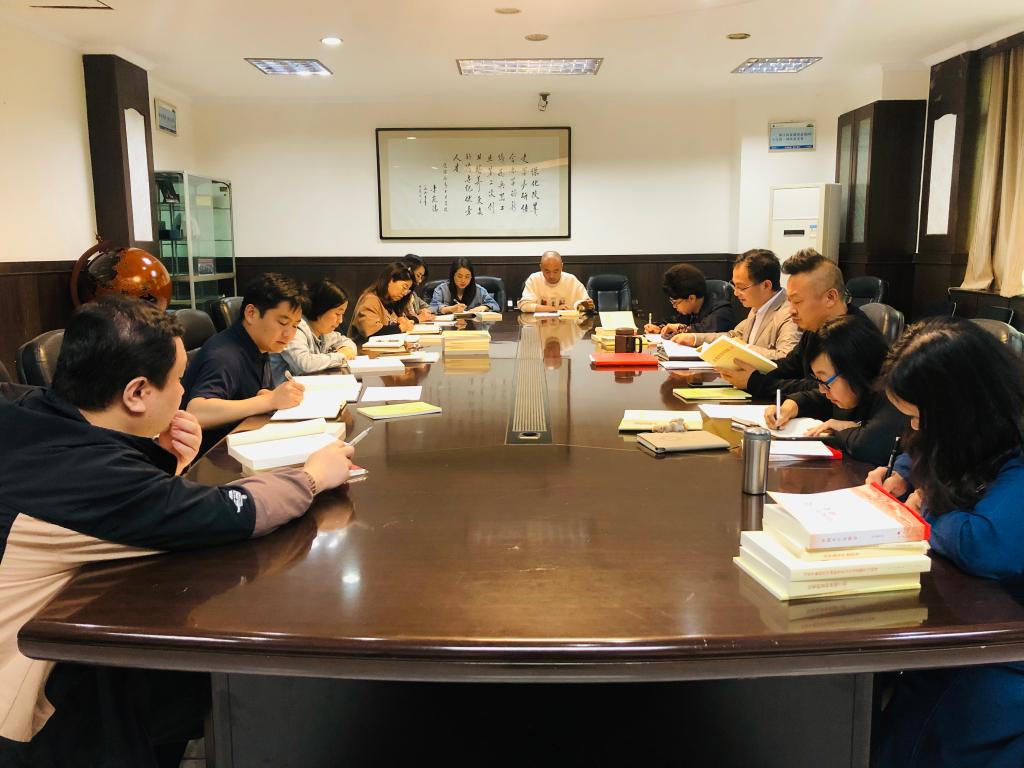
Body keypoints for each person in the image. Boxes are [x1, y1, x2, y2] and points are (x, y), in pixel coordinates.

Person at [0, 296, 355, 768]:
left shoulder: (32, 414)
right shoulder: (89, 476)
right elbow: (231, 512)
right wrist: (311, 476)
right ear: (137, 392)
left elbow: (125, 508)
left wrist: (157, 454)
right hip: (25, 714)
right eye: (179, 380)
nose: (184, 392)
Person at [862, 317, 1024, 767]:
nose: (915, 425)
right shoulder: (976, 426)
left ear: (959, 408)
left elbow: (987, 545)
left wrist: (926, 508)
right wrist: (902, 475)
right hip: (971, 611)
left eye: (920, 415)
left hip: (1004, 642)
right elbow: (927, 450)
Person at [182, 273, 307, 455]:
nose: (289, 334)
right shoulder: (225, 354)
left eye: (295, 325)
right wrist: (268, 400)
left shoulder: (259, 344)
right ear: (251, 313)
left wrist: (267, 397)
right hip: (212, 459)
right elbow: (196, 412)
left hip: (243, 444)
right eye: (282, 322)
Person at [718, 249, 869, 398]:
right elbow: (790, 366)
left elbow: (821, 390)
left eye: (797, 301)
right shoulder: (815, 328)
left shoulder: (855, 336)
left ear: (830, 297)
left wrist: (755, 382)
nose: (791, 311)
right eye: (789, 301)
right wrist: (749, 372)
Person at [764, 315, 908, 465]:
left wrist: (843, 430)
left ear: (853, 370)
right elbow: (819, 399)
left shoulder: (894, 390)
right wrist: (791, 406)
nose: (822, 390)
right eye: (818, 381)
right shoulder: (858, 388)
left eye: (825, 381)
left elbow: (868, 446)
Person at [668, 249, 800, 360]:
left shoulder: (789, 313)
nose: (736, 293)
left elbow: (786, 357)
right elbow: (734, 336)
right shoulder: (758, 305)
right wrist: (694, 338)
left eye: (741, 287)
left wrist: (744, 348)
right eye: (734, 285)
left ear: (766, 285)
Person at [270, 278, 357, 385]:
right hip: (280, 391)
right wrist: (340, 356)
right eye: (337, 314)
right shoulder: (296, 328)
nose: (340, 320)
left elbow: (347, 342)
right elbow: (305, 365)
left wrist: (346, 349)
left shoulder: (324, 332)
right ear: (321, 308)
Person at [644, 263, 735, 337]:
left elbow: (703, 331)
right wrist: (660, 328)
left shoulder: (722, 310)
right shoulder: (690, 309)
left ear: (691, 298)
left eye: (675, 303)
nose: (674, 307)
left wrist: (679, 328)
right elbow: (674, 322)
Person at [349, 262, 416, 343]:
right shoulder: (370, 299)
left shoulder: (390, 301)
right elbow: (372, 332)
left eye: (407, 290)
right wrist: (401, 328)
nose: (405, 293)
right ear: (390, 280)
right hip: (363, 349)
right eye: (404, 287)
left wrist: (400, 320)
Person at [517, 251, 595, 313]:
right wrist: (555, 309)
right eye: (547, 271)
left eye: (556, 271)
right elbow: (524, 306)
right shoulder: (534, 279)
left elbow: (586, 304)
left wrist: (587, 306)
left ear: (562, 267)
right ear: (541, 267)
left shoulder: (571, 280)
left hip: (567, 326)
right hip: (540, 326)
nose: (552, 276)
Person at [430, 258, 501, 314]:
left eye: (467, 277)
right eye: (459, 276)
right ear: (453, 276)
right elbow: (432, 307)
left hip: (474, 326)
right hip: (448, 326)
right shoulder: (442, 289)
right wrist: (450, 309)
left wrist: (484, 307)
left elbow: (495, 305)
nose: (463, 280)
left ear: (471, 277)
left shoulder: (479, 290)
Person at [401, 254, 435, 322]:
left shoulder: (413, 294)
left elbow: (429, 308)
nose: (420, 281)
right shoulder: (398, 294)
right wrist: (418, 317)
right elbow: (396, 320)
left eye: (421, 277)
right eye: (418, 275)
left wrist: (423, 311)